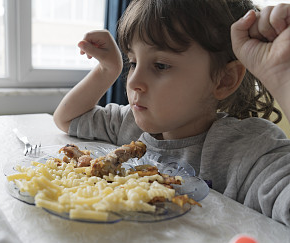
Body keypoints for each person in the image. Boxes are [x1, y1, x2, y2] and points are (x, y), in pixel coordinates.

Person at [53, 0, 290, 226]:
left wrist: (284, 79)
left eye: (161, 65)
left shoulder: (250, 150)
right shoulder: (129, 124)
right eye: (133, 62)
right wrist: (108, 69)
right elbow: (68, 118)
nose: (134, 81)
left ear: (224, 80)